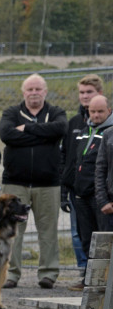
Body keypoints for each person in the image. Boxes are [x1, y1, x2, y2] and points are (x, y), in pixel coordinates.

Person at [0, 74, 67, 289]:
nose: (34, 92)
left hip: (48, 183)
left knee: (47, 230)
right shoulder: (11, 112)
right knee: (12, 230)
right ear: (23, 92)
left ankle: (48, 273)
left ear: (45, 91)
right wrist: (45, 136)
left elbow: (59, 129)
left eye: (38, 89)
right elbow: (6, 134)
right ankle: (11, 274)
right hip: (15, 182)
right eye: (30, 89)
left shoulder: (56, 113)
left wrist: (27, 129)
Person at [61, 75, 103, 287]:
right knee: (81, 235)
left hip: (100, 193)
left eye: (90, 92)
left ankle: (102, 278)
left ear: (100, 95)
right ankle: (86, 274)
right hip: (77, 191)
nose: (85, 97)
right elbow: (68, 157)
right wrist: (65, 189)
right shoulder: (75, 124)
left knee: (102, 236)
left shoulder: (106, 127)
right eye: (82, 93)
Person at [69, 95, 113, 291]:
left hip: (101, 198)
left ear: (109, 111)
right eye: (92, 112)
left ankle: (105, 281)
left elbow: (102, 168)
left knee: (103, 240)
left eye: (100, 111)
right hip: (81, 195)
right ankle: (90, 279)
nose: (95, 115)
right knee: (86, 239)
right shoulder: (84, 131)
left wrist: (103, 197)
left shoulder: (109, 134)